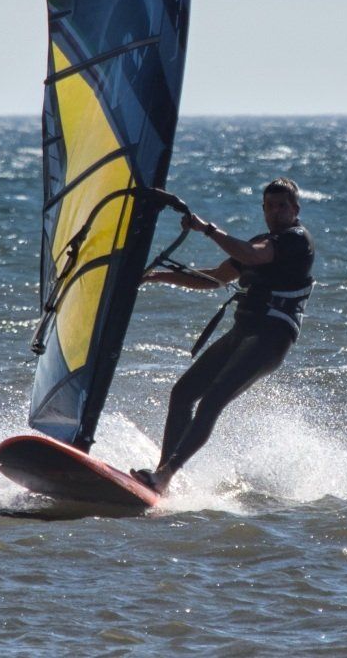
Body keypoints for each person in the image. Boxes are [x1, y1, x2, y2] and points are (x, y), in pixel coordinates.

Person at [132, 178, 315, 494]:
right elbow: (215, 279)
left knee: (212, 400)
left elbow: (254, 255)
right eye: (269, 206)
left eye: (282, 206)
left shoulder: (296, 240)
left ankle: (164, 476)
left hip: (270, 337)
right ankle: (161, 476)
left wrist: (207, 229)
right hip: (244, 332)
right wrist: (156, 277)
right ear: (263, 209)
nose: (275, 212)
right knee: (183, 393)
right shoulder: (262, 240)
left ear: (295, 209)